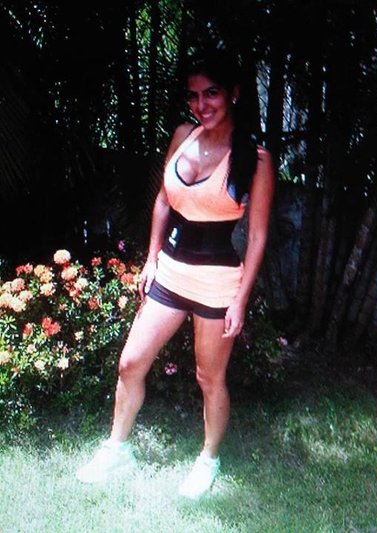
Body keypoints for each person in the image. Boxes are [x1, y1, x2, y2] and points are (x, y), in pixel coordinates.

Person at [76, 47, 275, 499]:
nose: (201, 105)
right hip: (170, 271)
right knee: (130, 362)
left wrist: (240, 300)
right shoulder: (184, 134)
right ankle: (117, 449)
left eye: (211, 93)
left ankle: (208, 460)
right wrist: (150, 259)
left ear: (234, 94)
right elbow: (164, 200)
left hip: (218, 283)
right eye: (193, 96)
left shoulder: (255, 158)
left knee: (209, 378)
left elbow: (258, 236)